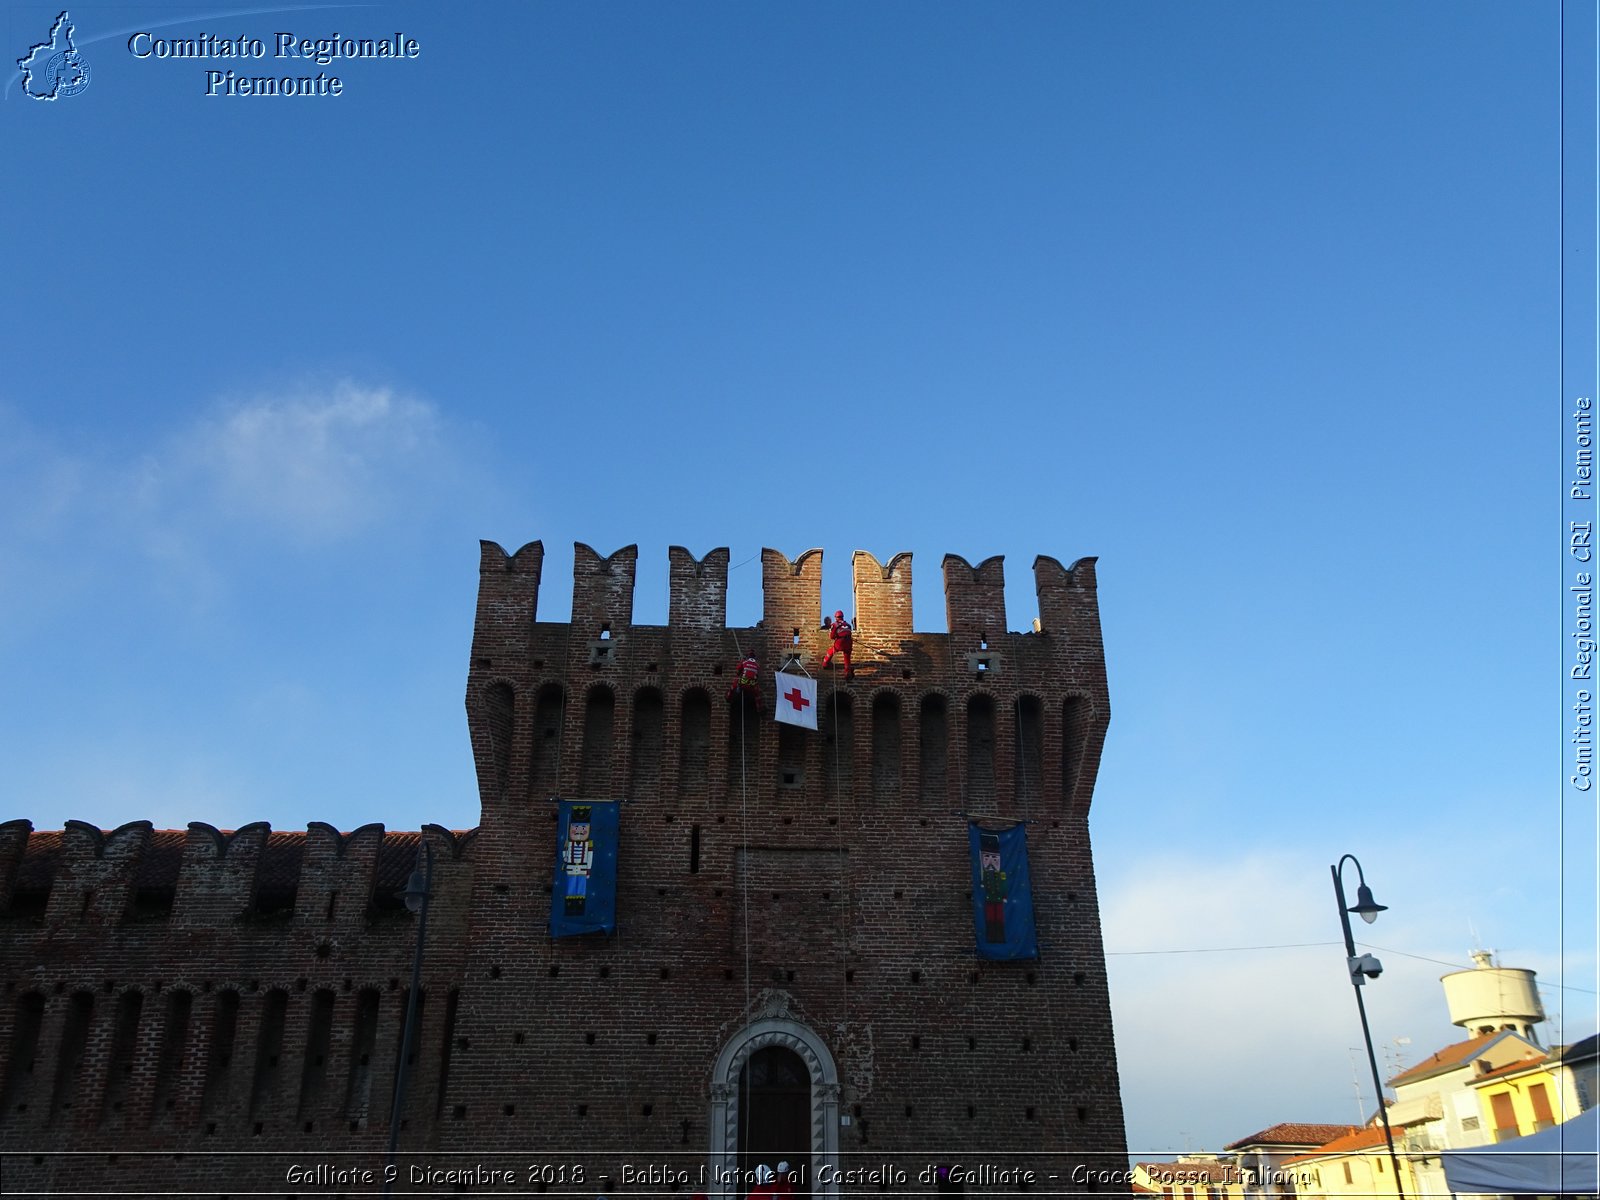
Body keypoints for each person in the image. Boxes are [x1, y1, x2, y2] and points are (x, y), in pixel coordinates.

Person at [822, 610, 853, 677]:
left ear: (836, 617)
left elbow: (832, 636)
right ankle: (847, 672)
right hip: (849, 641)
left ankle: (825, 663)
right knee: (847, 656)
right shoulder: (848, 625)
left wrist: (836, 636)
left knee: (832, 650)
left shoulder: (835, 624)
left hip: (840, 641)